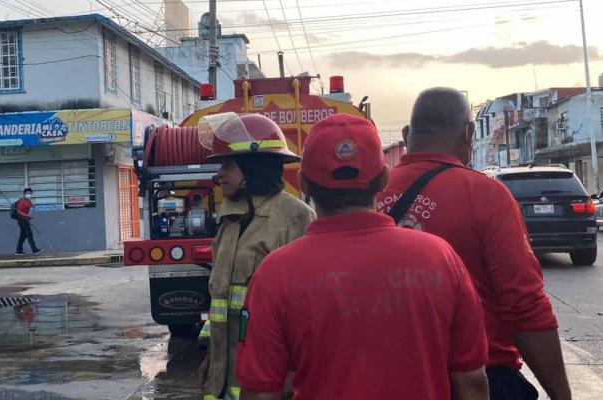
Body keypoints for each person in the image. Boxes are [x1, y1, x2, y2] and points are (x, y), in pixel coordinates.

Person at [235, 113, 489, 400]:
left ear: (303, 183)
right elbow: (472, 381)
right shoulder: (441, 258)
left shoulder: (274, 274)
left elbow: (260, 394)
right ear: (384, 178)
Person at [378, 88, 571, 400]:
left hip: (389, 378)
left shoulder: (371, 195)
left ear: (405, 134)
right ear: (469, 133)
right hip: (483, 377)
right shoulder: (486, 196)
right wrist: (561, 394)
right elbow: (524, 305)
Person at [196, 112, 316, 400]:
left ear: (253, 167)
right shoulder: (229, 220)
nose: (219, 175)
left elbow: (308, 311)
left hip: (269, 385)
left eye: (228, 165)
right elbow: (220, 301)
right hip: (223, 381)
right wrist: (211, 359)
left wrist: (292, 375)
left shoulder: (296, 218)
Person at [15, 188, 41, 255]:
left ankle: (18, 250)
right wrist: (27, 215)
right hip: (22, 220)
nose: (28, 194)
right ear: (24, 194)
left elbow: (31, 208)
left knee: (23, 236)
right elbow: (18, 211)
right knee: (29, 234)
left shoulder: (28, 201)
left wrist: (33, 207)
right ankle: (34, 250)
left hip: (26, 220)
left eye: (29, 193)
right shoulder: (22, 201)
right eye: (27, 193)